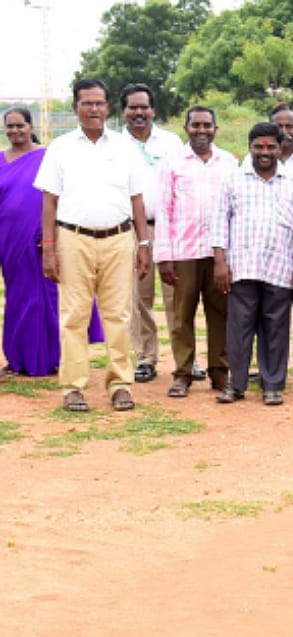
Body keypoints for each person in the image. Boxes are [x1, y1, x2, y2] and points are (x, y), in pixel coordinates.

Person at [35, 77, 152, 413]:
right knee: (73, 316)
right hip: (73, 239)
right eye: (87, 103)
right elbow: (49, 202)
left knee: (119, 315)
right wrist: (48, 247)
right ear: (75, 108)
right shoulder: (60, 147)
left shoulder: (125, 147)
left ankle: (120, 385)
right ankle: (73, 388)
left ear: (107, 107)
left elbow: (137, 200)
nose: (94, 109)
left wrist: (143, 244)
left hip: (119, 239)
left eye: (99, 103)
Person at [212, 122, 293, 406]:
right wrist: (220, 262)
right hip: (242, 266)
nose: (265, 152)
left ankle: (272, 385)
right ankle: (237, 384)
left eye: (271, 146)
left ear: (280, 148)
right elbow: (220, 222)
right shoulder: (232, 179)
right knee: (239, 328)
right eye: (259, 146)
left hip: (280, 267)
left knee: (276, 328)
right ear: (250, 147)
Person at [1, 107, 102, 376]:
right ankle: (17, 358)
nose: (15, 131)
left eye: (20, 125)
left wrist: (53, 237)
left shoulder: (47, 156)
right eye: (9, 127)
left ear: (31, 127)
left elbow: (61, 196)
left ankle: (53, 359)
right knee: (17, 297)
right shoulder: (0, 159)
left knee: (47, 298)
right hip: (9, 240)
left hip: (42, 237)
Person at [154, 105, 238, 397]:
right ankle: (182, 373)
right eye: (196, 125)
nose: (201, 131)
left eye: (207, 125)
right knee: (181, 316)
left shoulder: (228, 162)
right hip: (183, 252)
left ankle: (219, 371)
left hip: (219, 254)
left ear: (216, 128)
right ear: (185, 127)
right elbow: (164, 211)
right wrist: (164, 257)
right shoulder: (172, 163)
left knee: (221, 314)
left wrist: (229, 256)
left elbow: (234, 211)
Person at [250, 102, 293, 386]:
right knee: (265, 312)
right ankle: (266, 365)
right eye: (278, 126)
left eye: (290, 126)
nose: (284, 131)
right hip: (268, 249)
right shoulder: (252, 161)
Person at [120, 83, 184, 385]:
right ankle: (145, 357)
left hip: (170, 229)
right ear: (123, 112)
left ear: (153, 110)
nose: (139, 113)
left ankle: (186, 358)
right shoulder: (114, 146)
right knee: (138, 297)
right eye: (132, 107)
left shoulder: (171, 142)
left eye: (144, 107)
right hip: (133, 230)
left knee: (178, 296)